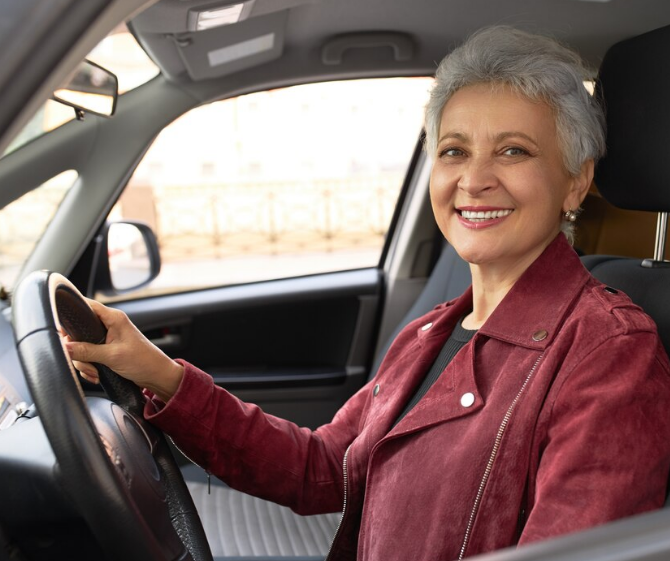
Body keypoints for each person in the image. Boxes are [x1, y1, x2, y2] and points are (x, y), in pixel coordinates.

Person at [66, 26, 670, 561]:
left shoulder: (609, 352)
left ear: (577, 180)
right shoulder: (431, 331)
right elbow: (322, 469)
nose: (474, 178)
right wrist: (157, 372)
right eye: (454, 150)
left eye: (514, 151)